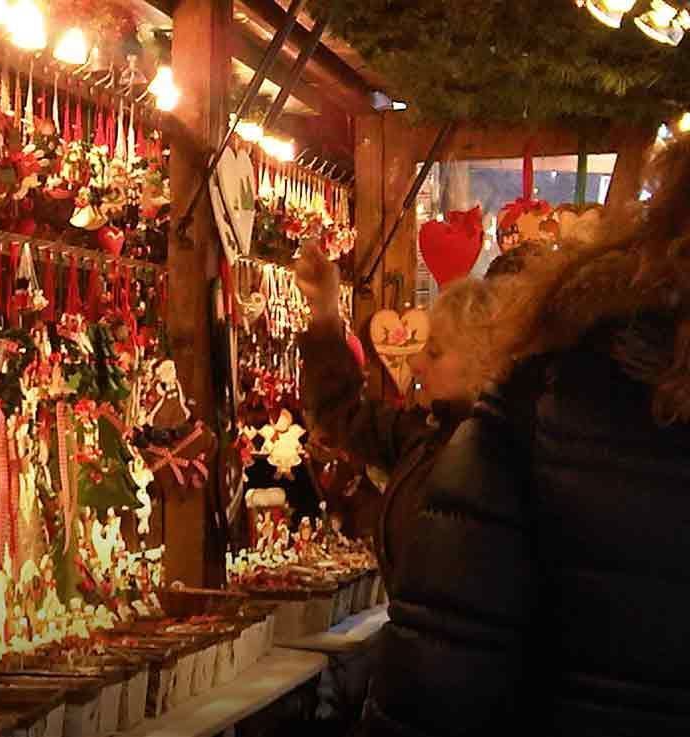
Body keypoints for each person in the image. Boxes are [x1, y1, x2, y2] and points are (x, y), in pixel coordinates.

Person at [361, 143, 690, 736]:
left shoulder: (547, 393)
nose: (419, 367)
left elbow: (440, 678)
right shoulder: (537, 402)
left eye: (437, 351)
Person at [295, 243, 503, 594]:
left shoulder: (500, 461)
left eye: (434, 353)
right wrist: (325, 313)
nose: (416, 363)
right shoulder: (425, 437)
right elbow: (345, 413)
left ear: (483, 362)